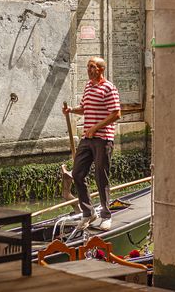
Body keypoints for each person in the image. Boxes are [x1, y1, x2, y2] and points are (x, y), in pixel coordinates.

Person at [62, 57, 121, 231]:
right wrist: (72, 110)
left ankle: (106, 215)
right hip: (87, 138)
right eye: (88, 67)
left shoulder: (109, 88)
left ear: (101, 69)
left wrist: (95, 127)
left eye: (92, 67)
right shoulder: (88, 86)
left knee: (101, 177)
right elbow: (85, 108)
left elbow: (116, 113)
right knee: (78, 174)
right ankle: (88, 212)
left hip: (103, 139)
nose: (89, 70)